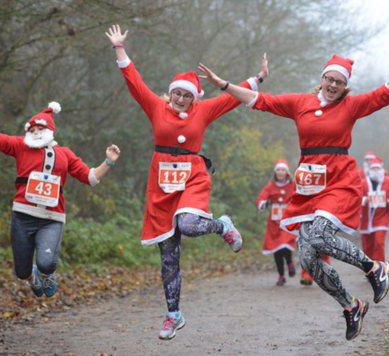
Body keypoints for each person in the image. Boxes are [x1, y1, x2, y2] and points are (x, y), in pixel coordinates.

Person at [198, 43, 389, 340]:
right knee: (309, 258)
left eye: (340, 82)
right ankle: (351, 306)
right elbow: (259, 100)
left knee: (322, 235)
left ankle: (374, 267)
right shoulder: (300, 103)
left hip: (340, 181)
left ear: (345, 86)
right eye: (330, 79)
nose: (334, 85)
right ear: (322, 78)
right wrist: (223, 84)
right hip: (310, 186)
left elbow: (387, 93)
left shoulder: (351, 106)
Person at [105, 24, 268, 340]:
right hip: (161, 183)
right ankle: (172, 315)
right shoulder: (156, 107)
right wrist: (119, 48)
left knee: (190, 224)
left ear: (195, 98)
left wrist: (258, 79)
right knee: (168, 255)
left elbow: (234, 98)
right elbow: (134, 82)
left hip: (192, 177)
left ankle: (222, 226)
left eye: (187, 95)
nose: (181, 98)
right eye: (177, 93)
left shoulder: (204, 111)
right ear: (171, 93)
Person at [0, 100, 121, 298]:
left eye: (41, 128)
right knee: (21, 272)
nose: (36, 132)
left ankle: (48, 274)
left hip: (51, 219)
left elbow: (90, 178)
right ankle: (33, 279)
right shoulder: (21, 145)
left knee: (46, 263)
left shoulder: (64, 154)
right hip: (23, 216)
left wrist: (108, 161)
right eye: (33, 129)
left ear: (50, 131)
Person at [257, 160, 297, 286]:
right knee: (276, 249)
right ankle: (281, 275)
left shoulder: (292, 185)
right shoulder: (270, 186)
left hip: (287, 220)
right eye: (278, 170)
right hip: (274, 222)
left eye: (283, 170)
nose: (280, 172)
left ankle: (289, 262)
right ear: (275, 172)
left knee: (285, 245)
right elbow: (261, 199)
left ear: (286, 172)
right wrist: (265, 203)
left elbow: (298, 197)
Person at [360, 157, 389, 262]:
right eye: (373, 168)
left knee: (379, 242)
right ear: (370, 170)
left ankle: (380, 268)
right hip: (366, 218)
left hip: (382, 217)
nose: (376, 170)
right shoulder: (364, 183)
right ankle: (369, 268)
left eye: (378, 168)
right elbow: (357, 195)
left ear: (382, 169)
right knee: (367, 246)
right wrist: (363, 200)